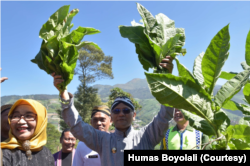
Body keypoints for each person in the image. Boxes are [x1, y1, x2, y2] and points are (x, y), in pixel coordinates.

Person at [52, 56, 174, 166]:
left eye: (126, 110)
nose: (121, 113)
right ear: (112, 117)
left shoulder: (146, 135)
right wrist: (63, 94)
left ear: (134, 115)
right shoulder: (102, 140)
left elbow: (164, 116)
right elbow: (77, 125)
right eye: (116, 111)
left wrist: (167, 79)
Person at [0, 99, 55, 166]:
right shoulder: (4, 154)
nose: (21, 122)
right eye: (16, 116)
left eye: (29, 116)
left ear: (41, 122)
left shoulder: (46, 153)